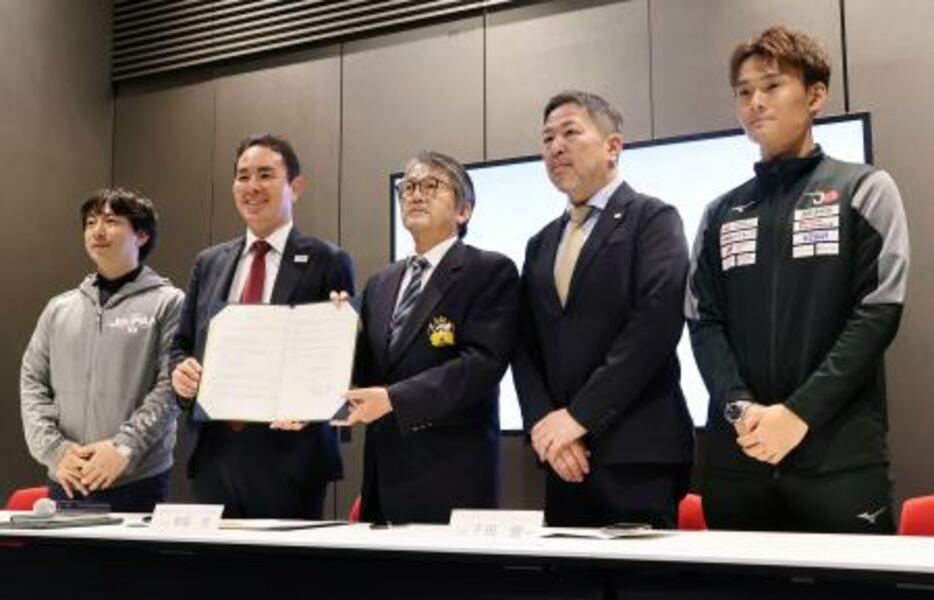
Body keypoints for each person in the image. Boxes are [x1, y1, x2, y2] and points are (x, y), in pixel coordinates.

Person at [686, 25, 910, 533]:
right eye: (744, 92)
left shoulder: (865, 190)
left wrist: (798, 414)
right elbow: (702, 321)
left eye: (771, 86)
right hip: (738, 460)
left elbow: (877, 314)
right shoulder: (720, 212)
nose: (755, 102)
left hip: (839, 460)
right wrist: (740, 409)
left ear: (815, 95)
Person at [512, 91, 694, 528]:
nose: (556, 147)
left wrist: (580, 417)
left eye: (570, 132)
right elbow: (523, 343)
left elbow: (654, 326)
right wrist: (544, 425)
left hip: (637, 453)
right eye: (547, 138)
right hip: (562, 456)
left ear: (613, 146)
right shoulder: (540, 243)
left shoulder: (653, 219)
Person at [170, 134, 354, 519]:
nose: (252, 186)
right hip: (216, 454)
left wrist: (316, 405)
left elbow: (344, 357)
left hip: (291, 457)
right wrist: (181, 374)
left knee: (284, 561)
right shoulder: (209, 262)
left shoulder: (328, 260)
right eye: (243, 176)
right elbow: (181, 345)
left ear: (295, 187)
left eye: (265, 175)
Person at [340, 150, 519, 524]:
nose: (416, 194)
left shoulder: (489, 271)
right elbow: (367, 372)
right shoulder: (380, 282)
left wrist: (395, 399)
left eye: (431, 185)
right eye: (408, 187)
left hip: (452, 477)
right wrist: (335, 332)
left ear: (463, 211)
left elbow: (481, 365)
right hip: (382, 479)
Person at [21, 188, 183, 512]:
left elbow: (171, 387)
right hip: (68, 475)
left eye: (111, 221)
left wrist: (124, 447)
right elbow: (32, 381)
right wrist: (56, 451)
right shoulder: (59, 308)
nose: (97, 231)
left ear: (141, 235)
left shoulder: (169, 303)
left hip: (135, 479)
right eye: (91, 222)